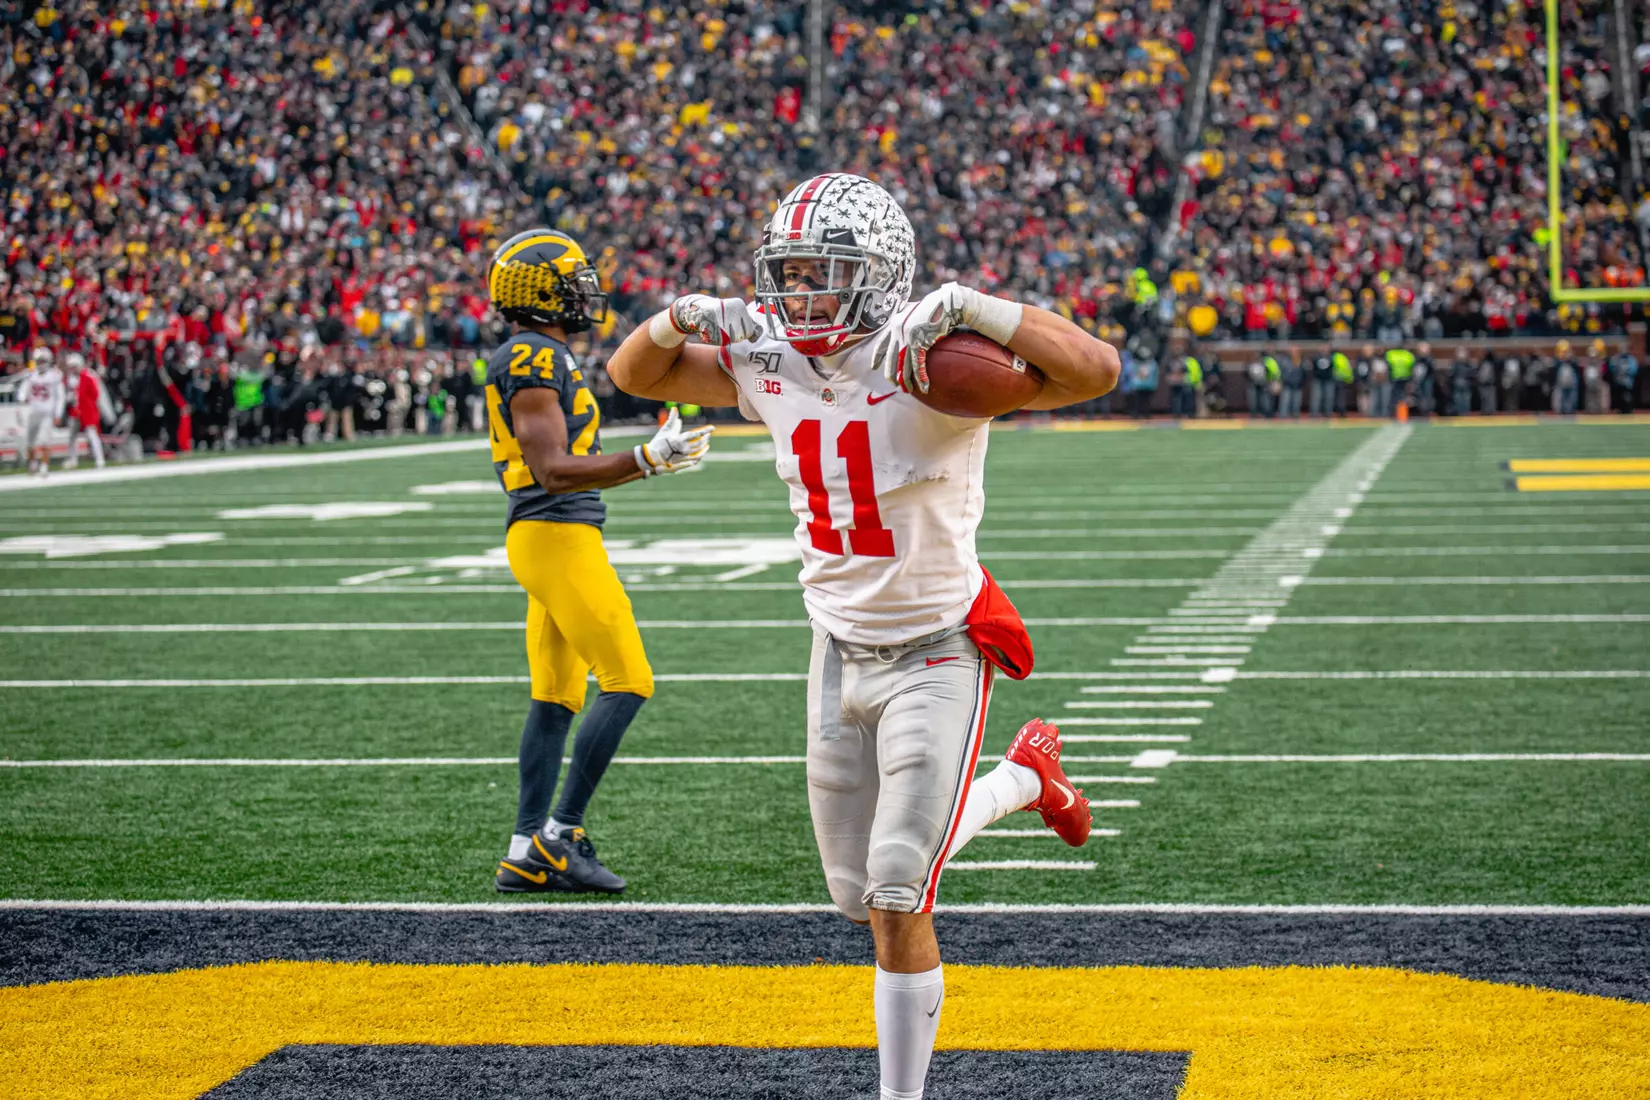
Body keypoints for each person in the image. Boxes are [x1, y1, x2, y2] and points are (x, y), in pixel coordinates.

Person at [606, 173, 1117, 1100]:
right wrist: (678, 317)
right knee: (855, 894)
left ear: (881, 276)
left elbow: (1096, 370)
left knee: (894, 884)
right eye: (788, 271)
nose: (799, 292)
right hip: (833, 647)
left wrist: (974, 307)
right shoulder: (770, 363)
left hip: (938, 647)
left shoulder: (931, 359)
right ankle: (1019, 781)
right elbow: (631, 376)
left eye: (822, 272)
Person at [485, 229, 713, 897]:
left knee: (556, 696)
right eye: (572, 277)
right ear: (540, 289)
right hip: (554, 534)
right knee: (628, 680)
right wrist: (644, 460)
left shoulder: (540, 352)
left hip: (551, 536)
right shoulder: (529, 353)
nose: (584, 287)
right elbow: (552, 469)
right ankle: (560, 834)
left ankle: (525, 847)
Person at [22, 347, 65, 477]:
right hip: (33, 411)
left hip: (47, 412)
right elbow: (24, 388)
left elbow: (60, 396)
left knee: (45, 441)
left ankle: (44, 467)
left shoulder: (54, 375)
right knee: (30, 441)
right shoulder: (31, 374)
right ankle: (32, 465)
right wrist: (22, 397)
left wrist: (58, 414)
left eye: (43, 360)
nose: (40, 363)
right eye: (39, 361)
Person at [63, 352, 109, 469]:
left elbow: (95, 394)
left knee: (92, 435)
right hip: (76, 410)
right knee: (72, 435)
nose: (72, 369)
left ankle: (99, 459)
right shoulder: (71, 378)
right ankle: (73, 459)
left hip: (87, 410)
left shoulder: (89, 375)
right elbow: (70, 394)